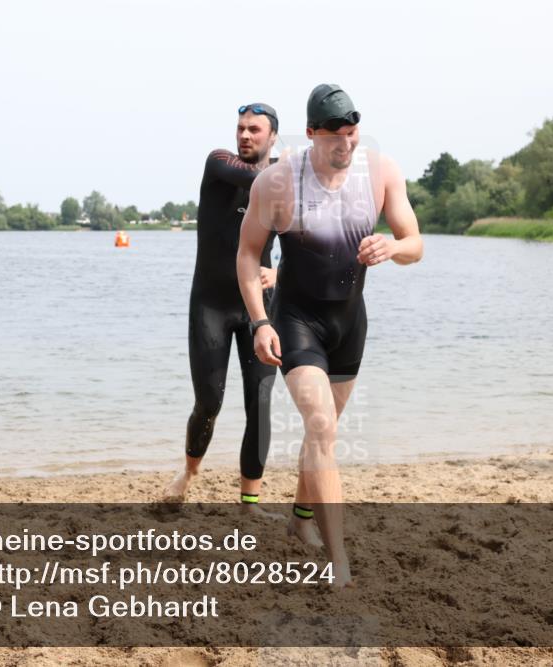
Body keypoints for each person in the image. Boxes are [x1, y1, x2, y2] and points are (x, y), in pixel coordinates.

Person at [237, 84, 423, 584]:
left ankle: (302, 520)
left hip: (349, 322)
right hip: (296, 319)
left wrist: (392, 247)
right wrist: (260, 322)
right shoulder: (277, 184)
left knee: (323, 432)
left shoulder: (381, 172)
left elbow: (415, 243)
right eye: (335, 134)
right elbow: (248, 254)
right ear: (311, 133)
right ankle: (338, 559)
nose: (346, 143)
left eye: (352, 132)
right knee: (321, 425)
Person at [166, 103, 280, 506]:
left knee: (260, 406)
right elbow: (254, 177)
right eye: (241, 128)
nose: (245, 135)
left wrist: (279, 273)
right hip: (210, 306)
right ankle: (189, 472)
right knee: (209, 402)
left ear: (272, 136)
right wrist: (299, 171)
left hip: (258, 310)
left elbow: (306, 240)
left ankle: (250, 503)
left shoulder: (283, 181)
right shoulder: (219, 163)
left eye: (254, 130)